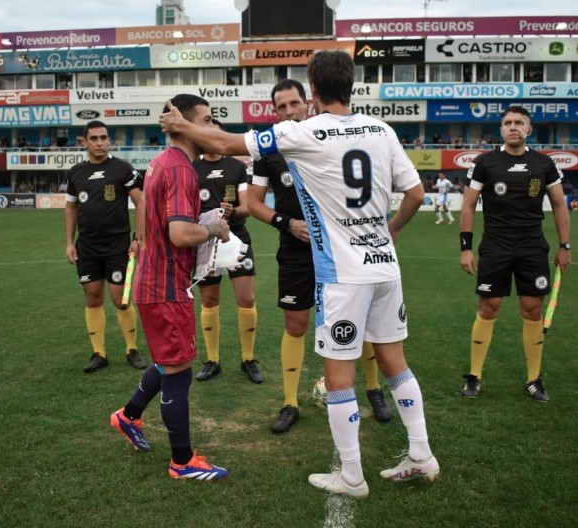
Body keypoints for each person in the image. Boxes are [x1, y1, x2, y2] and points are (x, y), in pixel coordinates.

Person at [162, 50, 438, 497]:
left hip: (343, 275)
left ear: (312, 90)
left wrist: (180, 125)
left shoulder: (302, 132)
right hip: (385, 267)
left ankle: (351, 475)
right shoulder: (382, 130)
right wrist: (390, 232)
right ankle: (422, 455)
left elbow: (226, 144)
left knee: (338, 377)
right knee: (396, 363)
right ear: (352, 85)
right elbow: (417, 194)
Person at [246, 79, 393, 434]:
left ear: (308, 102)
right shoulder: (269, 152)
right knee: (295, 324)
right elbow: (251, 203)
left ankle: (373, 390)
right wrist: (286, 223)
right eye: (280, 107)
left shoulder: (329, 138)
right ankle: (290, 402)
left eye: (294, 103)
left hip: (344, 250)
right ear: (274, 111)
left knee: (365, 322)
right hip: (296, 252)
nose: (288, 111)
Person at [110, 94, 230, 481]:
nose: (212, 128)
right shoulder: (180, 169)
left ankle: (128, 416)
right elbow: (180, 234)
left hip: (153, 279)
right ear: (188, 125)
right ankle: (182, 461)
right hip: (166, 286)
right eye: (208, 121)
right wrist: (214, 228)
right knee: (178, 371)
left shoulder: (161, 163)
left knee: (167, 359)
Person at [458, 105, 571, 403]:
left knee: (533, 309)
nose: (513, 127)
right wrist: (466, 248)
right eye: (508, 122)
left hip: (532, 246)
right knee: (489, 307)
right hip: (495, 245)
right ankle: (475, 375)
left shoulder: (544, 164)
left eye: (519, 123)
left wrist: (565, 245)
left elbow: (560, 204)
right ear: (501, 129)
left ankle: (534, 379)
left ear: (529, 130)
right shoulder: (485, 162)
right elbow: (468, 205)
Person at [65, 120, 149, 373]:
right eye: (94, 139)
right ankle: (98, 353)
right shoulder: (76, 173)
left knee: (121, 299)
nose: (100, 143)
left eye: (104, 138)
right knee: (92, 297)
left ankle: (132, 349)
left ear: (109, 141)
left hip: (117, 246)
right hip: (88, 246)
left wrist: (139, 238)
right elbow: (71, 208)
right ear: (85, 142)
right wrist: (69, 242)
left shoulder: (122, 169)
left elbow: (142, 202)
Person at [192, 118, 263, 384]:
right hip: (204, 241)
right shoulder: (192, 168)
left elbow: (248, 207)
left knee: (246, 299)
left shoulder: (236, 166)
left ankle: (248, 358)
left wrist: (234, 211)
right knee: (209, 300)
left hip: (236, 238)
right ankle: (213, 360)